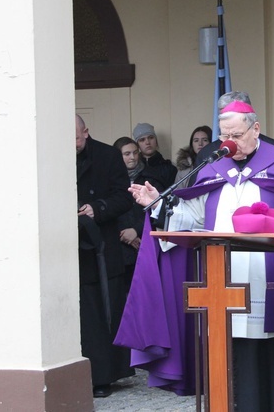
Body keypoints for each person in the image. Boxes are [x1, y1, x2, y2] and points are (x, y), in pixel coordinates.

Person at [115, 100, 274, 408]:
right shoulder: (213, 169)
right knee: (231, 366)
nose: (230, 143)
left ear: (256, 129)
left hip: (273, 292)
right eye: (225, 135)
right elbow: (191, 219)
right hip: (221, 293)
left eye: (238, 135)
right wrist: (159, 204)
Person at [75, 115, 135, 398]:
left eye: (75, 138)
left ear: (86, 132)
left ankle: (104, 376)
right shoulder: (50, 154)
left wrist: (96, 209)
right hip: (68, 250)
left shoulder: (108, 156)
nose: (71, 144)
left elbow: (123, 198)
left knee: (103, 313)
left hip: (101, 249)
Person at [113, 136, 167, 291]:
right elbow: (110, 209)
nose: (132, 157)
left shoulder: (151, 179)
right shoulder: (111, 179)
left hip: (146, 242)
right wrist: (124, 234)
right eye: (127, 154)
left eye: (135, 153)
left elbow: (158, 209)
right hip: (120, 247)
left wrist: (136, 231)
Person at [132, 122, 178, 186]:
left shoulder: (169, 168)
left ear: (156, 141)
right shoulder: (132, 169)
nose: (147, 142)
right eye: (142, 140)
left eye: (151, 137)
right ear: (137, 145)